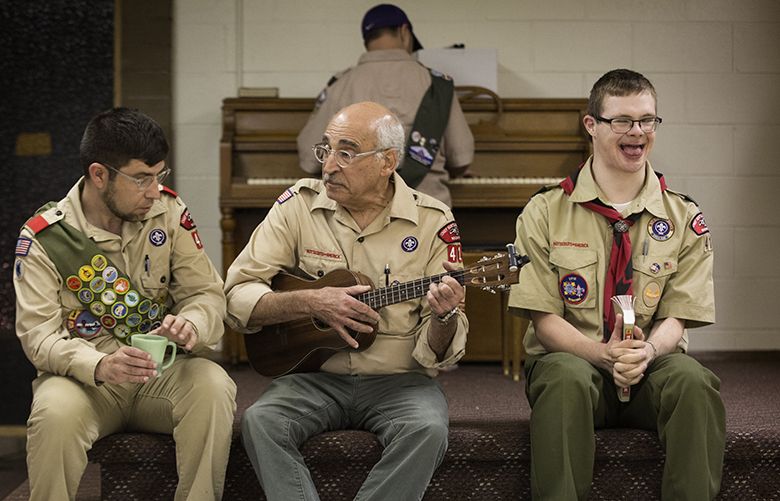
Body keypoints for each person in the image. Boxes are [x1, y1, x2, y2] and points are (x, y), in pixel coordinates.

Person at [225, 101, 468, 500]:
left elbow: (441, 352)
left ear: (387, 162)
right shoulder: (297, 206)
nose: (329, 166)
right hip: (312, 375)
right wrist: (312, 303)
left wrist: (444, 317)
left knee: (426, 430)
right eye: (326, 150)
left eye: (347, 152)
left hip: (399, 381)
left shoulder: (433, 221)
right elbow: (237, 294)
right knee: (261, 421)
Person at [508, 69, 726, 500]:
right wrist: (602, 354)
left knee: (693, 381)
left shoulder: (683, 217)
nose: (638, 133)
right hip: (575, 363)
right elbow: (543, 317)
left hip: (649, 369)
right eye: (622, 121)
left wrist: (646, 351)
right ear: (591, 125)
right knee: (565, 378)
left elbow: (678, 317)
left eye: (648, 120)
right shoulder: (545, 211)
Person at [13, 107, 236, 500]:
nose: (154, 191)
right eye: (141, 179)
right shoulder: (45, 238)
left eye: (159, 176)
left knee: (214, 386)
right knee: (53, 413)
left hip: (161, 376)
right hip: (86, 382)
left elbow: (206, 293)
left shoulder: (168, 214)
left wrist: (193, 324)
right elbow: (39, 339)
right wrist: (98, 365)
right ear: (99, 175)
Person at [296, 3, 474, 207]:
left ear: (366, 41)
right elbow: (461, 159)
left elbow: (309, 159)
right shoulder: (437, 86)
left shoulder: (340, 85)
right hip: (427, 215)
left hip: (356, 219)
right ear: (404, 31)